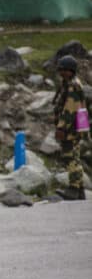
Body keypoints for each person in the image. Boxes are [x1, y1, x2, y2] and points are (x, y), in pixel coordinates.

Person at [53, 55, 87, 200]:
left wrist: (61, 128)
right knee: (74, 156)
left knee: (70, 157)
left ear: (70, 71)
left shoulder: (73, 85)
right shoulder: (70, 82)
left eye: (63, 69)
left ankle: (74, 189)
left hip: (71, 127)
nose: (60, 72)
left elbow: (70, 109)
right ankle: (79, 190)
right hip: (77, 125)